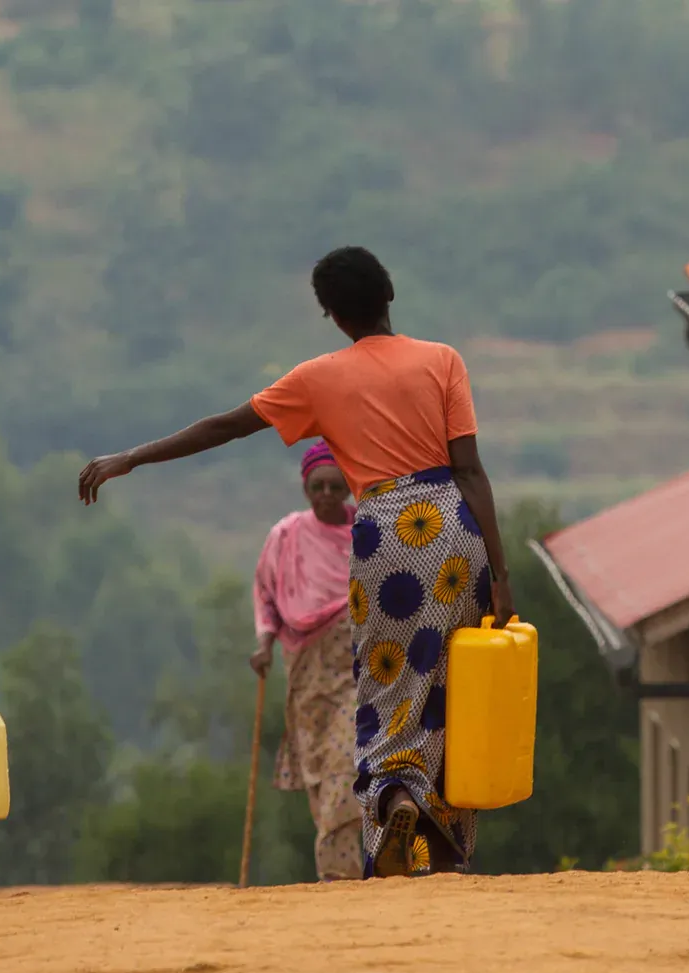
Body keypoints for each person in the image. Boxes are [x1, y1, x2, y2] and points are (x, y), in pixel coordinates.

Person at [78, 246, 515, 878]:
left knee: (386, 684)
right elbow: (471, 470)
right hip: (451, 525)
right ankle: (444, 852)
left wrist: (131, 458)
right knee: (449, 686)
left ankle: (393, 796)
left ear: (333, 316)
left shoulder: (316, 378)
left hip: (386, 533)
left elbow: (222, 427)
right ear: (389, 295)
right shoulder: (443, 361)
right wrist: (499, 576)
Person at [252, 441, 362, 882]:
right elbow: (265, 596)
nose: (327, 495)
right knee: (320, 776)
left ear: (349, 487)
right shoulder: (286, 536)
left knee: (346, 765)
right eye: (317, 486)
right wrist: (263, 645)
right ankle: (348, 877)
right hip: (305, 677)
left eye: (337, 486)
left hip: (359, 674)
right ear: (305, 488)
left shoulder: (366, 532)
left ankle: (341, 878)